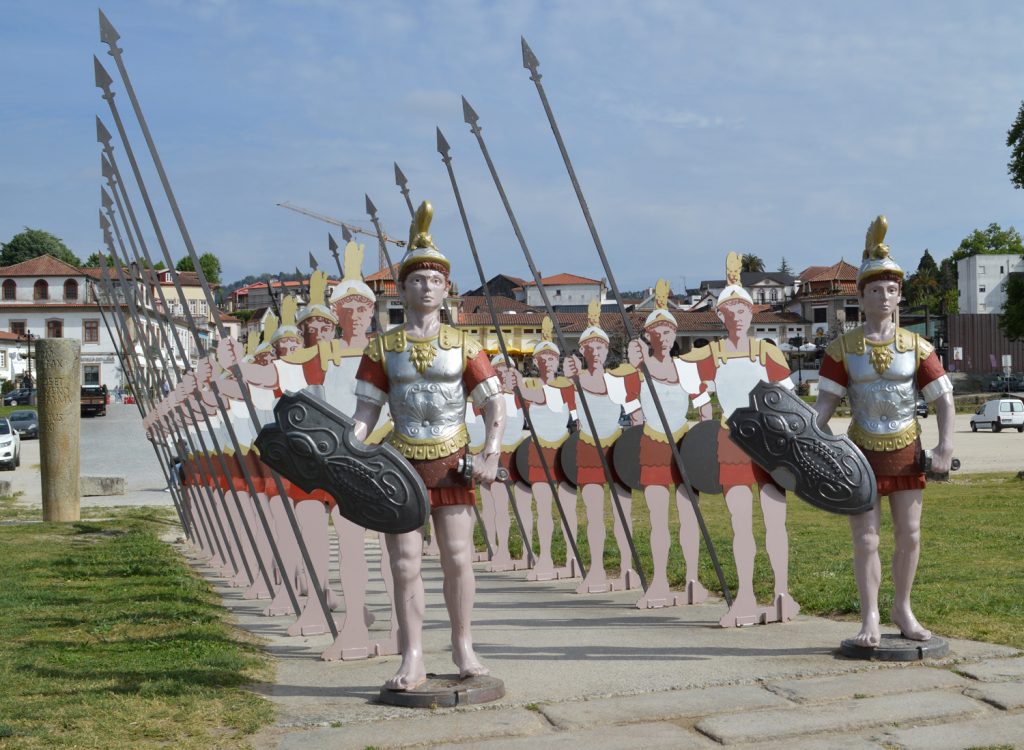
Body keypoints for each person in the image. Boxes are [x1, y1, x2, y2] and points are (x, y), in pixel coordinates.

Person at [352, 201, 505, 690]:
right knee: (403, 562)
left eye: (435, 280)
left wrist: (491, 450)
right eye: (417, 279)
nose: (426, 287)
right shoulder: (381, 348)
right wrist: (347, 454)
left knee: (458, 557)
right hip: (400, 463)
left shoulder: (466, 345)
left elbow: (493, 404)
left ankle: (463, 645)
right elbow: (365, 414)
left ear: (446, 288)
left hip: (453, 458)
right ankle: (412, 654)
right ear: (402, 288)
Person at [814, 216, 953, 648]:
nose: (884, 296)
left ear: (900, 296)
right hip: (860, 452)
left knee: (910, 534)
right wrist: (812, 446)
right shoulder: (842, 350)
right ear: (861, 296)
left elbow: (943, 399)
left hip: (906, 448)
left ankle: (903, 608)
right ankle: (870, 614)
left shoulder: (918, 348)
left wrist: (945, 444)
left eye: (892, 289)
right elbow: (823, 409)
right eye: (875, 288)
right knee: (866, 537)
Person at [685, 254, 799, 627]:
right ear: (719, 316)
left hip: (768, 440)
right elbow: (688, 381)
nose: (736, 316)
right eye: (729, 310)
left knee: (775, 522)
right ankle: (746, 596)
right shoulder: (711, 355)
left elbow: (789, 400)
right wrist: (702, 409)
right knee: (740, 524)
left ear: (753, 313)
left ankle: (782, 593)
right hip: (731, 440)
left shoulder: (768, 351)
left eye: (742, 308)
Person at [626, 280, 710, 608]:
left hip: (684, 446)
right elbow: (631, 407)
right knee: (658, 518)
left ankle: (692, 578)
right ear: (648, 335)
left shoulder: (686, 370)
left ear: (675, 335)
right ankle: (659, 581)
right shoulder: (639, 368)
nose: (663, 337)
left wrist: (705, 440)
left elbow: (704, 407)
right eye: (657, 331)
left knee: (689, 517)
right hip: (653, 445)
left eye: (668, 331)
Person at [563, 298, 641, 594]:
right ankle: (595, 570)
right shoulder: (573, 382)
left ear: (607, 351)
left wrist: (638, 444)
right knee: (594, 514)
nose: (595, 352)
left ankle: (627, 569)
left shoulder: (618, 381)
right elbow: (568, 418)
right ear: (581, 351)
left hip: (616, 451)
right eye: (589, 348)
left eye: (600, 347)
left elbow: (636, 416)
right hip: (587, 449)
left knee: (623, 512)